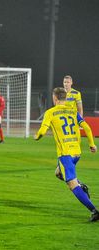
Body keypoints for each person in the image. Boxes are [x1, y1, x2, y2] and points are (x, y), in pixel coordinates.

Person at [34, 87, 98, 222]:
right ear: (65, 97)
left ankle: (94, 211)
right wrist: (92, 144)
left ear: (55, 98)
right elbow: (86, 127)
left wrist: (37, 136)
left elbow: (42, 131)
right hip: (76, 152)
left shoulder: (50, 112)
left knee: (71, 184)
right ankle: (81, 186)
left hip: (65, 154)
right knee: (58, 173)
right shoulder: (73, 110)